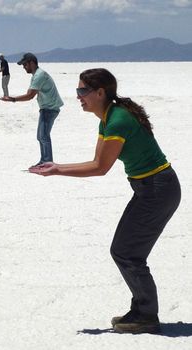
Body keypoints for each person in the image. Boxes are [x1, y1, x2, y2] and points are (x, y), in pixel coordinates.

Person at [29, 68, 181, 334]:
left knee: (127, 252)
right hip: (151, 188)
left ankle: (146, 315)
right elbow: (97, 161)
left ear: (100, 92)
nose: (78, 97)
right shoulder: (108, 117)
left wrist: (56, 169)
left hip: (158, 188)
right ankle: (141, 311)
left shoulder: (118, 120)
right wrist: (56, 166)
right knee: (126, 251)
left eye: (82, 91)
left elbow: (100, 167)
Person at [0, 53, 64, 165]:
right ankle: (45, 161)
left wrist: (12, 99)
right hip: (47, 107)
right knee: (41, 136)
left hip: (50, 108)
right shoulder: (37, 75)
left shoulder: (39, 75)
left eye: (25, 64)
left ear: (32, 63)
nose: (24, 67)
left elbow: (30, 95)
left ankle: (47, 162)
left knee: (43, 136)